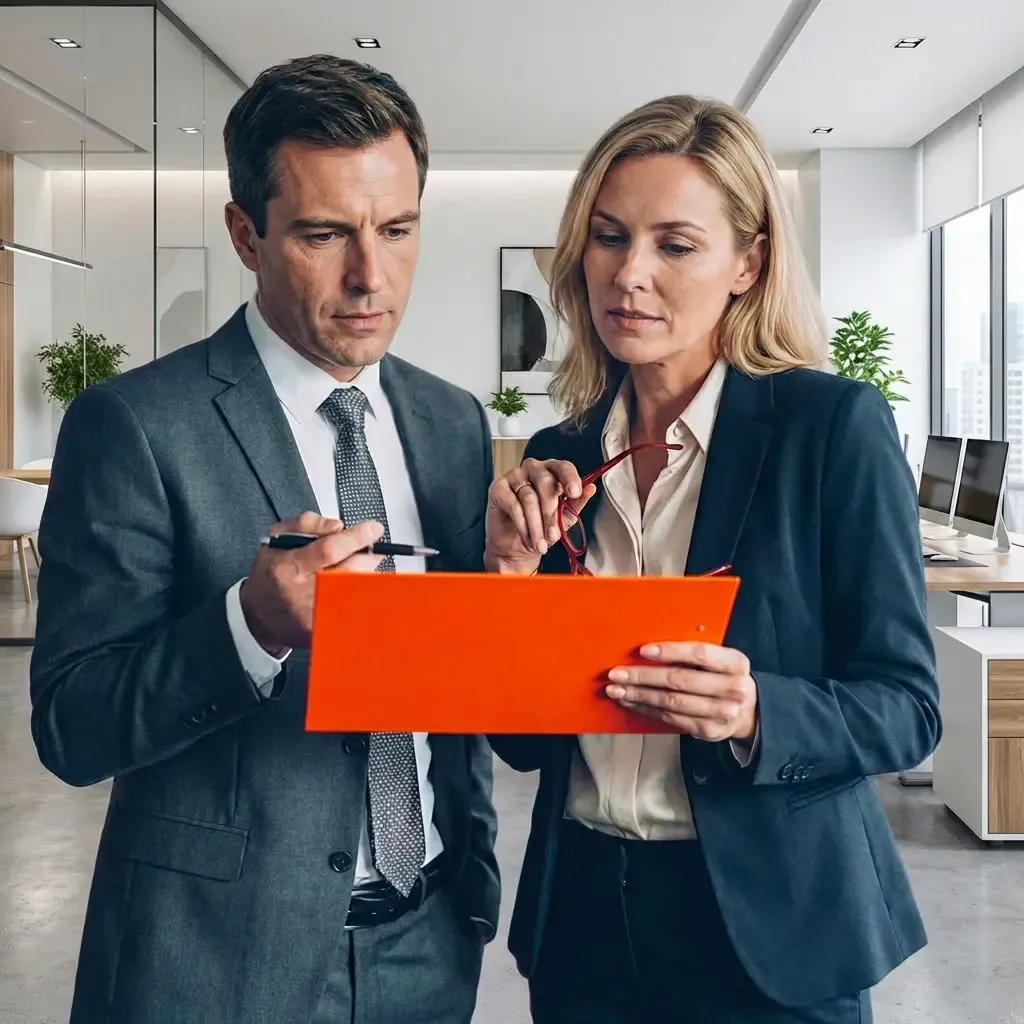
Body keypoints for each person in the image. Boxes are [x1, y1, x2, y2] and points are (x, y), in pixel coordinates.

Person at [30, 55, 499, 1024]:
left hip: (429, 945)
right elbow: (71, 728)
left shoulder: (453, 422)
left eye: (397, 229)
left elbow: (462, 689)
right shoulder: (135, 424)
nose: (371, 276)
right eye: (324, 234)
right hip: (213, 962)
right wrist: (249, 625)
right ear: (246, 234)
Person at [485, 94, 940, 1024]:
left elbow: (908, 707)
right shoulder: (559, 454)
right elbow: (523, 745)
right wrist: (509, 584)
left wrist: (755, 711)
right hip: (584, 923)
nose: (630, 275)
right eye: (610, 238)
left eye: (676, 245)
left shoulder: (831, 429)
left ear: (748, 263)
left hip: (772, 927)